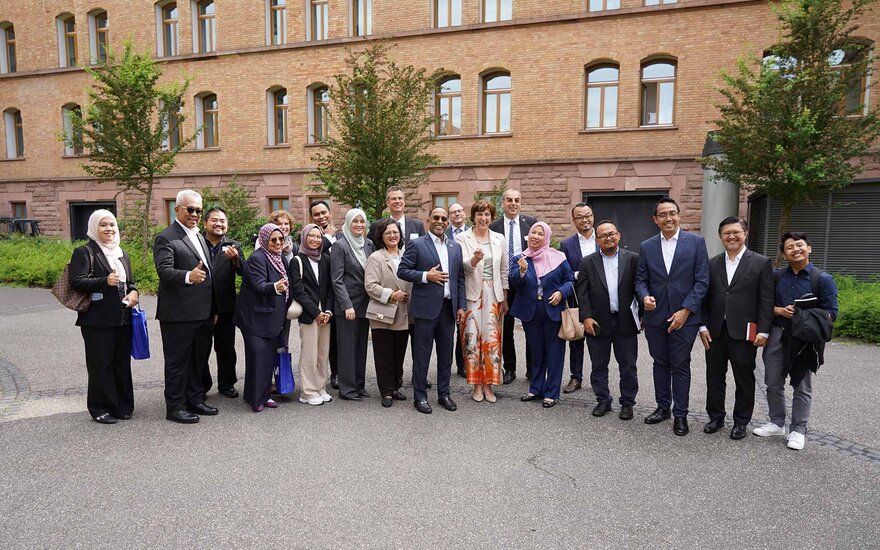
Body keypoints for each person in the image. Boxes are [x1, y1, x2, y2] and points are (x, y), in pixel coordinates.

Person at [752, 231, 838, 451]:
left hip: (804, 339)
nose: (795, 250)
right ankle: (776, 422)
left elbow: (831, 313)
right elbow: (762, 306)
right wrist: (780, 310)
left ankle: (798, 430)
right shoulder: (776, 276)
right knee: (772, 382)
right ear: (784, 253)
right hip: (777, 333)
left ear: (809, 248)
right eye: (790, 247)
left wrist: (804, 314)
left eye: (799, 245)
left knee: (801, 385)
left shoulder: (822, 279)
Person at [635, 196, 709, 436]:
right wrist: (645, 297)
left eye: (672, 213)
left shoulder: (696, 242)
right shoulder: (647, 246)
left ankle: (681, 414)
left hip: (685, 317)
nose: (669, 218)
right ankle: (663, 407)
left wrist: (686, 310)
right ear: (655, 219)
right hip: (656, 316)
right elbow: (641, 280)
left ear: (679, 215)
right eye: (663, 215)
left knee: (680, 364)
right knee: (660, 362)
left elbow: (702, 281)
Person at [699, 217, 774, 440]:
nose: (731, 237)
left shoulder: (761, 263)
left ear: (745, 233)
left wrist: (764, 331)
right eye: (726, 233)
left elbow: (766, 300)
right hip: (714, 331)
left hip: (744, 332)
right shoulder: (712, 263)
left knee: (744, 377)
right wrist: (701, 326)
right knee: (714, 376)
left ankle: (741, 421)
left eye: (736, 232)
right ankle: (715, 417)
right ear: (720, 236)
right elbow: (703, 298)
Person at [154, 189, 218, 424]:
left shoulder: (199, 235)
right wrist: (187, 276)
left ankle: (195, 399)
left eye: (199, 210)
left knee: (198, 360)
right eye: (190, 209)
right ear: (177, 209)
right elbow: (164, 271)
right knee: (177, 363)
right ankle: (175, 406)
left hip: (202, 313)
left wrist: (214, 310)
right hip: (178, 314)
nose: (194, 214)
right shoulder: (167, 237)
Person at [70, 209, 139, 424]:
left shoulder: (121, 253)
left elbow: (130, 282)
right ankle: (99, 407)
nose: (108, 229)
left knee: (121, 363)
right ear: (93, 228)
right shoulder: (84, 252)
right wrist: (103, 281)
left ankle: (122, 406)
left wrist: (134, 292)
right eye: (103, 225)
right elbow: (77, 281)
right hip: (97, 320)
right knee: (101, 365)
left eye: (112, 225)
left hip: (123, 317)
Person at [398, 207, 466, 414]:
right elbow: (403, 270)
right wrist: (427, 276)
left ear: (447, 223)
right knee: (422, 355)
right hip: (425, 310)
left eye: (444, 219)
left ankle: (444, 394)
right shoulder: (417, 244)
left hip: (448, 310)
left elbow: (460, 278)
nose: (440, 221)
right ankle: (420, 397)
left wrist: (461, 306)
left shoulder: (455, 246)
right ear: (428, 220)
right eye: (436, 218)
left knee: (446, 356)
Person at [576, 221, 641, 420]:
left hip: (625, 321)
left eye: (611, 234)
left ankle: (628, 403)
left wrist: (643, 316)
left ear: (619, 235)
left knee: (628, 365)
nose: (608, 238)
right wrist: (586, 317)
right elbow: (582, 292)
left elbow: (640, 287)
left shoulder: (633, 259)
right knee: (598, 365)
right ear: (597, 240)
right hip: (597, 322)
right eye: (603, 236)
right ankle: (603, 400)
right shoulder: (588, 262)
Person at [509, 222, 575, 408]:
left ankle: (551, 393)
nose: (536, 236)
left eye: (540, 234)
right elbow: (513, 282)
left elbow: (569, 281)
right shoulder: (520, 259)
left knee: (554, 352)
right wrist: (521, 271)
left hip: (553, 310)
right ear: (528, 235)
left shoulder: (558, 257)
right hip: (531, 312)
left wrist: (561, 292)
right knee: (536, 352)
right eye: (533, 233)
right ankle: (536, 388)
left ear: (546, 237)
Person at [234, 223, 292, 412]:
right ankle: (257, 400)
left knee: (266, 357)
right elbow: (259, 285)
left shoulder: (279, 257)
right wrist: (276, 287)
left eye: (280, 239)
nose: (277, 242)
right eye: (273, 239)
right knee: (258, 356)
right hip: (254, 318)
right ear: (264, 240)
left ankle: (261, 394)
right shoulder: (258, 258)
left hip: (271, 317)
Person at [455, 200, 508, 403]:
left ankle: (489, 385)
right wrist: (474, 260)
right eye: (479, 214)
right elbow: (462, 269)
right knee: (471, 339)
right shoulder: (462, 238)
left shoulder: (499, 239)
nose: (483, 218)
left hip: (494, 294)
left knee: (492, 340)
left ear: (492, 217)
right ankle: (476, 385)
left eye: (487, 214)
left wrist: (505, 297)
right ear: (473, 217)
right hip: (471, 293)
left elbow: (503, 270)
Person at [489, 188, 537, 385]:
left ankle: (532, 369)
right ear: (503, 203)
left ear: (520, 202)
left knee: (529, 326)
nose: (513, 203)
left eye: (516, 200)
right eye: (509, 200)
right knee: (506, 328)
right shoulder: (494, 226)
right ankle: (509, 368)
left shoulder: (531, 223)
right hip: (503, 281)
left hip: (524, 280)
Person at [364, 218, 412, 408]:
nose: (392, 236)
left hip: (405, 311)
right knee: (384, 353)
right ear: (381, 237)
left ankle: (395, 387)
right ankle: (386, 391)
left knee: (399, 352)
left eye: (395, 232)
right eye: (388, 233)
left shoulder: (406, 254)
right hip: (383, 312)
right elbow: (370, 285)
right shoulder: (376, 257)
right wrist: (392, 295)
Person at [289, 223, 335, 406]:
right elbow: (298, 291)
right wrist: (316, 313)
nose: (315, 239)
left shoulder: (325, 259)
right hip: (310, 315)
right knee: (309, 353)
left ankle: (320, 386)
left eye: (318, 236)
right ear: (304, 237)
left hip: (326, 314)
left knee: (323, 353)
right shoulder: (297, 260)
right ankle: (307, 391)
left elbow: (330, 287)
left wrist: (328, 311)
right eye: (311, 236)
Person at [331, 208, 374, 401]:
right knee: (347, 348)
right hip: (347, 306)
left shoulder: (369, 244)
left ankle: (359, 385)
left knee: (361, 348)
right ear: (348, 223)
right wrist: (347, 305)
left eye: (362, 221)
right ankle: (347, 389)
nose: (359, 225)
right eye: (355, 221)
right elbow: (337, 279)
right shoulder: (340, 246)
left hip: (365, 305)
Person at [202, 206, 244, 399]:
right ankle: (201, 385)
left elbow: (245, 272)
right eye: (214, 220)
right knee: (200, 348)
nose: (219, 224)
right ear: (205, 223)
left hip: (226, 306)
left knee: (226, 348)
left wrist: (235, 259)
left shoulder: (233, 245)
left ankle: (227, 383)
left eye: (223, 221)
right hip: (201, 306)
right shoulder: (196, 242)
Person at [559, 202, 598, 394]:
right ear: (574, 220)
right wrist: (579, 275)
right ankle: (576, 377)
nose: (585, 220)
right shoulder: (567, 245)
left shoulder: (603, 238)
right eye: (581, 217)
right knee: (576, 339)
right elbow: (564, 273)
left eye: (588, 215)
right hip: (577, 296)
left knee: (599, 339)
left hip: (601, 298)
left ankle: (599, 378)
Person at [309, 199, 340, 390]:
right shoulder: (309, 236)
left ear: (330, 213)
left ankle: (337, 373)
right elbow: (313, 251)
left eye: (324, 213)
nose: (321, 217)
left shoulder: (342, 235)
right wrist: (326, 237)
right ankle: (319, 377)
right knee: (320, 340)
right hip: (321, 295)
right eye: (317, 214)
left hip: (341, 293)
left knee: (338, 337)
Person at [446, 202, 470, 377]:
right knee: (449, 328)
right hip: (448, 284)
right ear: (449, 217)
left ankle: (463, 365)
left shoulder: (472, 233)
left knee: (465, 327)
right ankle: (448, 364)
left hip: (468, 284)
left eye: (460, 211)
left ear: (465, 213)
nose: (457, 214)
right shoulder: (443, 234)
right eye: (453, 212)